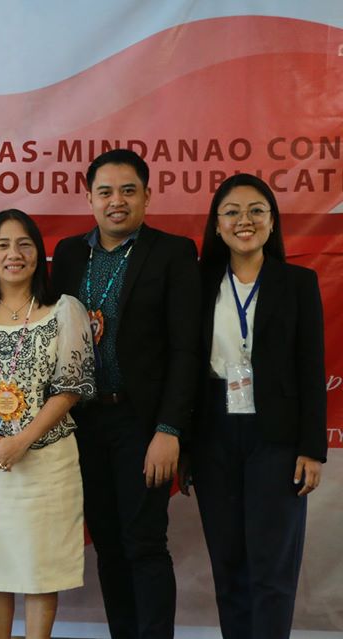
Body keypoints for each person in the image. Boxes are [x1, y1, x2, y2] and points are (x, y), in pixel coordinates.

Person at [51, 149, 201, 639]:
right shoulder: (70, 254)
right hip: (82, 422)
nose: (117, 201)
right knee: (109, 545)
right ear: (89, 198)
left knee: (144, 544)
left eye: (128, 191)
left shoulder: (172, 253)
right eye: (106, 192)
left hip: (142, 422)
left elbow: (186, 349)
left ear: (147, 196)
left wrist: (169, 429)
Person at [0, 209, 95, 639]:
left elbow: (71, 386)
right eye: (3, 245)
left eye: (24, 244)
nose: (14, 254)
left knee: (41, 568)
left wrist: (21, 441)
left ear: (38, 253)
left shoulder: (64, 310)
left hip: (48, 464)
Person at [181, 173, 326, 639]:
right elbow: (183, 364)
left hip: (276, 435)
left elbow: (311, 368)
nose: (244, 220)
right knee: (229, 567)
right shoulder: (198, 282)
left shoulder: (298, 283)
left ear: (272, 221)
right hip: (213, 432)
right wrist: (183, 443)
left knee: (272, 567)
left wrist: (312, 448)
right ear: (217, 225)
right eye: (232, 212)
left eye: (256, 211)